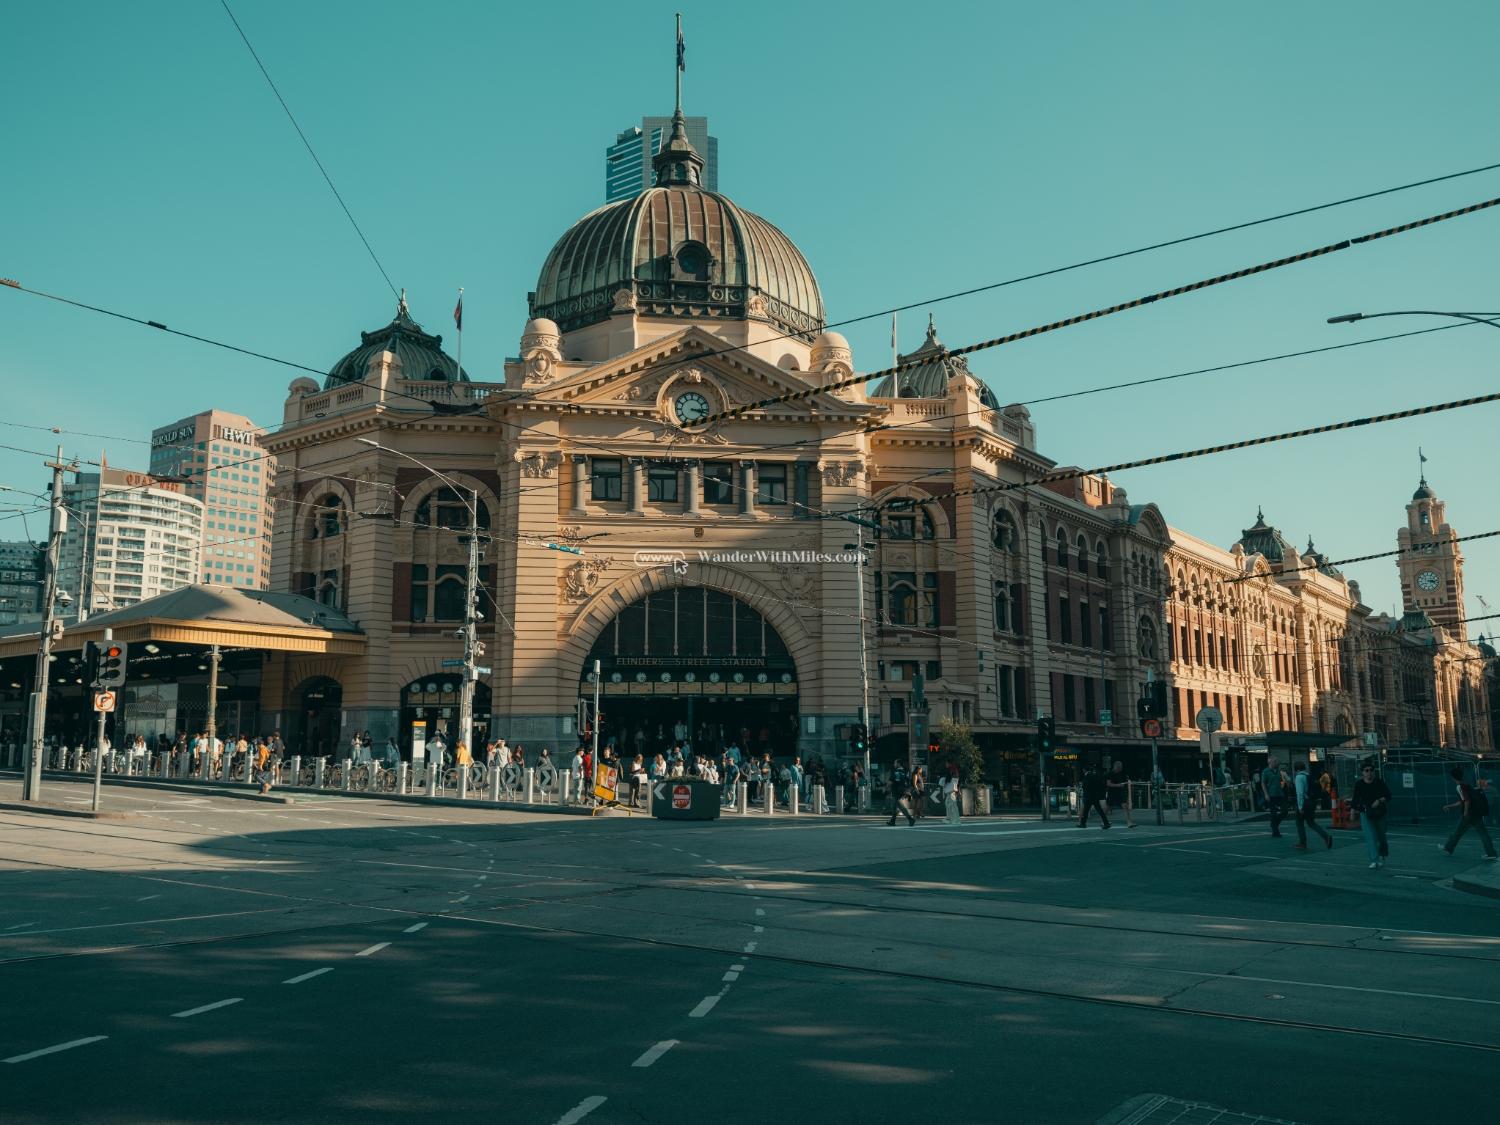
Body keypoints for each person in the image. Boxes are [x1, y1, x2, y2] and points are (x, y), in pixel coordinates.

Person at [1440, 765, 1497, 860]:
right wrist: (1450, 806)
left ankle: (1448, 847)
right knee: (1483, 833)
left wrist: (1466, 812)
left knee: (1457, 832)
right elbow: (1464, 800)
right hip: (1476, 813)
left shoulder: (1459, 787)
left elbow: (1466, 800)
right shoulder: (1465, 784)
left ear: (1453, 777)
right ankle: (1491, 852)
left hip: (1469, 814)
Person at [1351, 762, 1392, 869]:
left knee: (1382, 836)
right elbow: (1355, 799)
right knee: (1371, 836)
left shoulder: (1379, 782)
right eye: (1366, 770)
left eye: (1371, 770)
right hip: (1365, 812)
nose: (1369, 772)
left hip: (1379, 812)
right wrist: (1352, 813)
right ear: (1362, 772)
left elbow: (1388, 795)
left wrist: (1379, 800)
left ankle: (1382, 853)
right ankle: (1374, 860)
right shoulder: (1359, 784)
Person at [1293, 761, 1332, 850]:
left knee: (1299, 822)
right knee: (1311, 822)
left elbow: (1300, 793)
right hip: (1312, 802)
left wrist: (1300, 806)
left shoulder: (1299, 777)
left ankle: (1302, 842)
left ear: (1296, 769)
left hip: (1305, 802)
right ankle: (1326, 836)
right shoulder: (1309, 776)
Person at [1105, 759, 1137, 828]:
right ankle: (1103, 820)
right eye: (1120, 767)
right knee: (1108, 806)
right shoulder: (1110, 773)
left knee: (1125, 805)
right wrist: (1117, 785)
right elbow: (1108, 784)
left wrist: (1122, 784)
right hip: (1112, 792)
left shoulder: (1119, 773)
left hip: (1119, 792)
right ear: (1118, 767)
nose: (1121, 768)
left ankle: (1129, 822)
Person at [1078, 762, 1111, 829]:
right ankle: (1106, 823)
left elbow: (1086, 786)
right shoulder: (1094, 775)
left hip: (1089, 796)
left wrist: (1083, 786)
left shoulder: (1087, 776)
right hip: (1095, 796)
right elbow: (1100, 784)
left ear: (1084, 769)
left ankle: (1083, 823)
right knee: (1099, 810)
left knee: (1086, 810)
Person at [1261, 756, 1286, 837]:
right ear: (1270, 762)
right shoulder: (1265, 771)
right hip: (1271, 794)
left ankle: (1275, 824)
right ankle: (1275, 831)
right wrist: (1266, 794)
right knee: (1273, 813)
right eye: (1275, 761)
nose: (1276, 763)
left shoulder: (1278, 770)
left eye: (1276, 761)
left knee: (1285, 811)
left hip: (1279, 793)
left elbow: (1280, 779)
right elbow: (1263, 783)